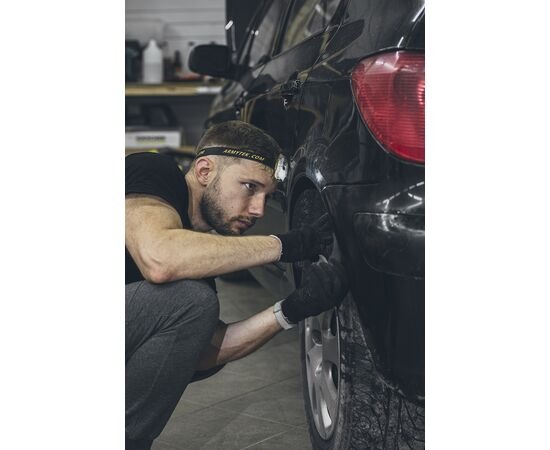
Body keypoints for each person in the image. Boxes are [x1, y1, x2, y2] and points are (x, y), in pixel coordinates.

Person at [125, 121, 348, 449]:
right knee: (193, 302)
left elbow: (207, 351)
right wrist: (285, 245)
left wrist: (291, 310)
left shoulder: (197, 258)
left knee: (198, 323)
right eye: (249, 187)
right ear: (204, 170)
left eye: (266, 197)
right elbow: (159, 258)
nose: (258, 209)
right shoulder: (153, 171)